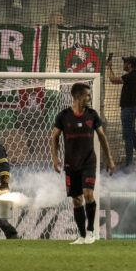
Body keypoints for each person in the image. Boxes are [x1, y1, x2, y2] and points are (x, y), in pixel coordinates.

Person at [51, 81, 116, 244]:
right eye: (87, 95)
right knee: (76, 200)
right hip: (71, 164)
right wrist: (55, 157)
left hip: (88, 162)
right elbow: (54, 137)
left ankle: (91, 232)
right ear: (78, 97)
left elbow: (102, 137)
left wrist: (109, 158)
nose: (90, 97)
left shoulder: (92, 115)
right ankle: (81, 235)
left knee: (88, 194)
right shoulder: (63, 116)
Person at [106, 54, 136, 171]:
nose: (123, 64)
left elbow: (113, 80)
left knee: (127, 137)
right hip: (131, 109)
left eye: (125, 62)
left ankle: (129, 163)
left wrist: (109, 67)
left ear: (129, 65)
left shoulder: (132, 76)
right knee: (132, 136)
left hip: (128, 110)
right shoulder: (133, 76)